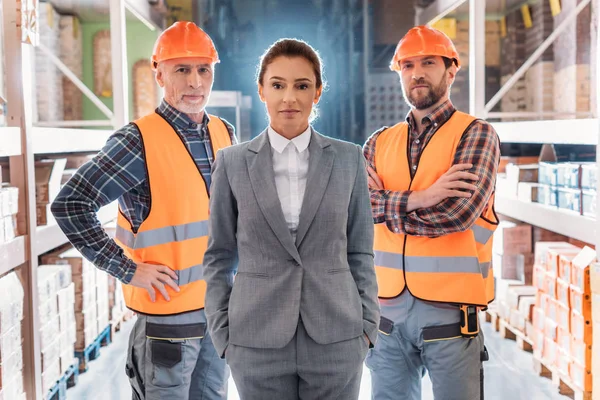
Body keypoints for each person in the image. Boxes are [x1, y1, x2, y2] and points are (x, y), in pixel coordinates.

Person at [51, 21, 236, 399]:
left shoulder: (224, 133)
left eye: (204, 69)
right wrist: (127, 269)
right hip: (167, 325)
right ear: (159, 73)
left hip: (219, 314)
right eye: (181, 70)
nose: (195, 83)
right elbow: (70, 204)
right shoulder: (137, 141)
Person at [203, 38, 380, 400]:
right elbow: (219, 256)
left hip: (337, 337)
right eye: (278, 85)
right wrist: (224, 335)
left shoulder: (348, 159)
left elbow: (360, 251)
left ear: (317, 93)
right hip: (255, 340)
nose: (289, 98)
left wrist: (367, 328)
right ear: (262, 91)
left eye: (302, 86)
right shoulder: (233, 163)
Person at [363, 25, 500, 400]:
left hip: (451, 317)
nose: (416, 72)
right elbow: (355, 209)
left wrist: (385, 203)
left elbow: (458, 214)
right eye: (407, 65)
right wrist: (422, 198)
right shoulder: (379, 141)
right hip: (387, 314)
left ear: (451, 70)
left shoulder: (476, 135)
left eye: (428, 62)